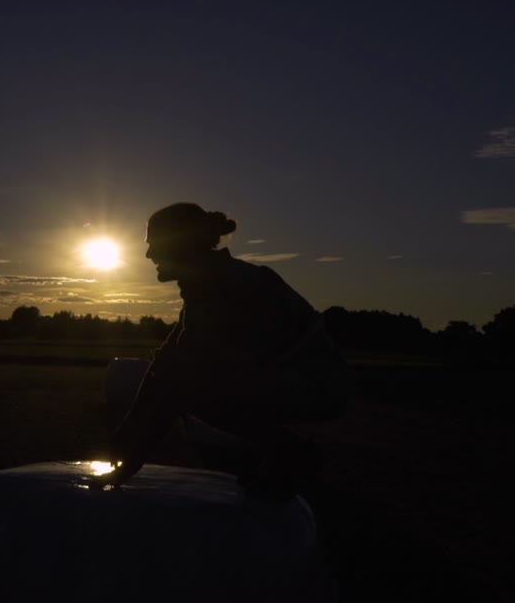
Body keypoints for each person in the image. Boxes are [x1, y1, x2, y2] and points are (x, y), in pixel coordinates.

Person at [90, 202, 348, 498]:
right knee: (192, 384)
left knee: (193, 388)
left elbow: (175, 382)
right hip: (298, 378)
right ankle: (284, 454)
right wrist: (127, 430)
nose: (148, 255)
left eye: (155, 245)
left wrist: (129, 462)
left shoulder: (224, 286)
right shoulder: (209, 283)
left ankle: (289, 453)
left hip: (317, 385)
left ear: (182, 244)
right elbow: (166, 361)